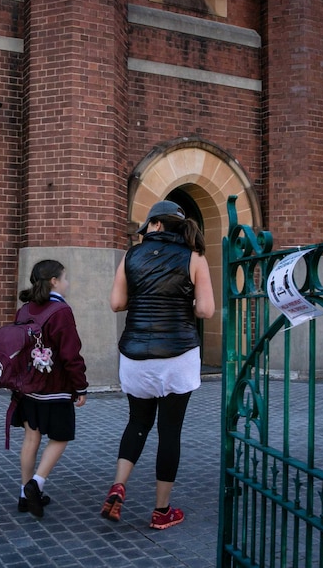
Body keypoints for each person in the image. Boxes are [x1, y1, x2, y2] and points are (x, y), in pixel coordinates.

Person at [101, 200, 215, 530]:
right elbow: (206, 310)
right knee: (169, 432)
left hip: (135, 356)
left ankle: (118, 486)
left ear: (156, 225)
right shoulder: (195, 257)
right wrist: (189, 302)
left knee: (137, 423)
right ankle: (161, 510)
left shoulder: (131, 256)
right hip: (178, 356)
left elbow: (116, 303)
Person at [11, 259, 88, 518]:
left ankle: (24, 493)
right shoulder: (61, 312)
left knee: (31, 438)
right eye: (65, 278)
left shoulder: (25, 310)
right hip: (55, 387)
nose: (67, 283)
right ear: (54, 281)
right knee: (61, 436)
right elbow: (70, 354)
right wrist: (81, 386)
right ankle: (37, 482)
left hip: (28, 386)